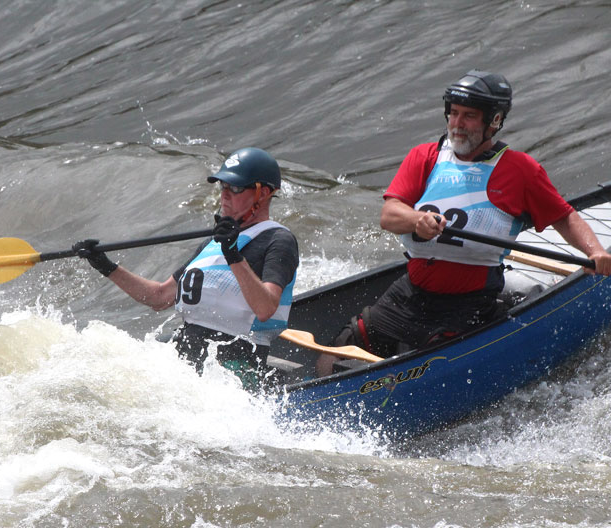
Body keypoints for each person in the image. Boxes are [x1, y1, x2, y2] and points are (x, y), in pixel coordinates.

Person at [316, 70, 611, 376]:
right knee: (344, 344)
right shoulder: (425, 157)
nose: (457, 124)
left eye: (469, 116)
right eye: (453, 114)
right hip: (411, 294)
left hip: (468, 304)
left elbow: (564, 217)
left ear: (494, 121)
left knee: (429, 364)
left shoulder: (521, 171)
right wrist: (417, 220)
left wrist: (595, 252)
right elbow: (389, 215)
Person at [74, 147, 299, 391]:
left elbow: (265, 308)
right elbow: (159, 297)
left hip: (234, 371)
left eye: (235, 188)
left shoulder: (278, 241)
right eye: (222, 187)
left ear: (262, 193)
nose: (225, 195)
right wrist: (104, 265)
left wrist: (233, 254)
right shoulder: (214, 242)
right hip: (184, 363)